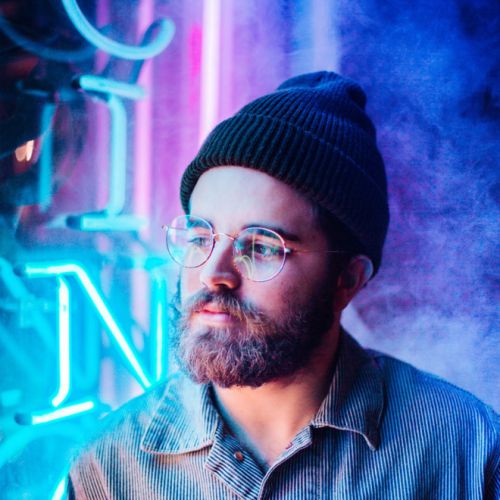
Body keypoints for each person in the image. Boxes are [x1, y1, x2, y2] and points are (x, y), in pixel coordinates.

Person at [69, 71, 499, 499]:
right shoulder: (110, 468)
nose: (213, 273)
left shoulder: (468, 450)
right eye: (200, 238)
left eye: (261, 247)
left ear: (347, 279)